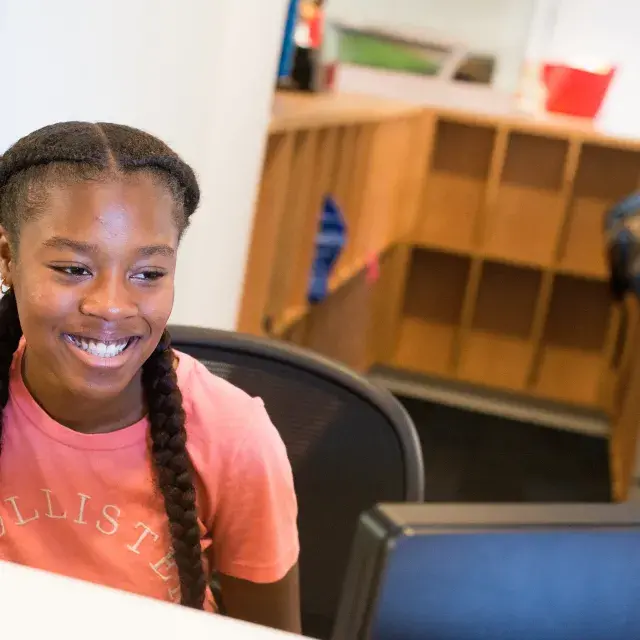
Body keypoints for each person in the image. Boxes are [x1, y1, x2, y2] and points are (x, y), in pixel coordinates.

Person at [0, 122, 301, 632]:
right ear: (8, 259)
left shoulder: (235, 436)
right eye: (73, 268)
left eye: (149, 274)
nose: (112, 305)